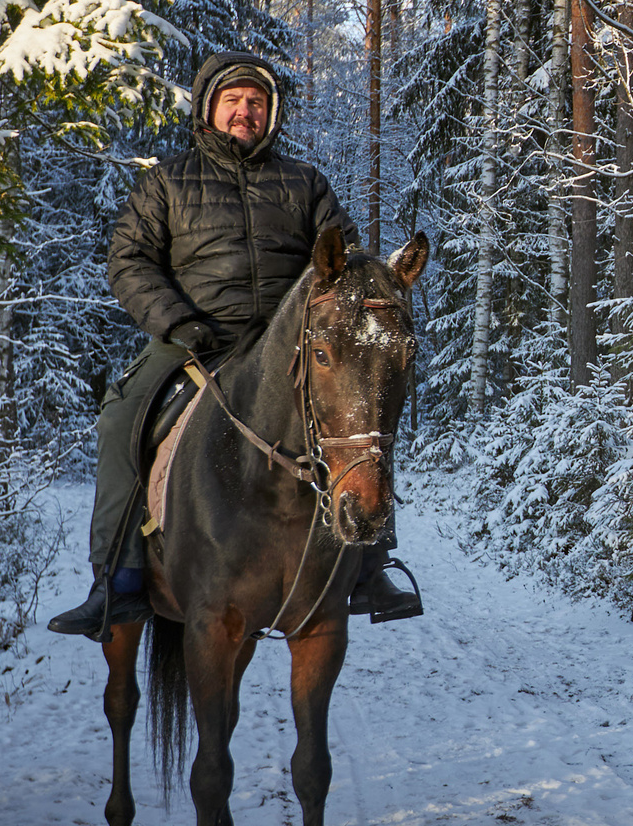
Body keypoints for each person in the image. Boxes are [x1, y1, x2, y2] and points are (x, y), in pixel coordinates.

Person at [45, 50, 423, 639]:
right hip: (195, 341)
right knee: (122, 415)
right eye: (233, 101)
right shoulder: (167, 181)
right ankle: (115, 580)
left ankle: (371, 566)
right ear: (208, 110)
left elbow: (343, 261)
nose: (244, 111)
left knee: (359, 411)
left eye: (256, 102)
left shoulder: (304, 183)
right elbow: (129, 260)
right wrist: (174, 321)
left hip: (286, 346)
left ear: (270, 114)